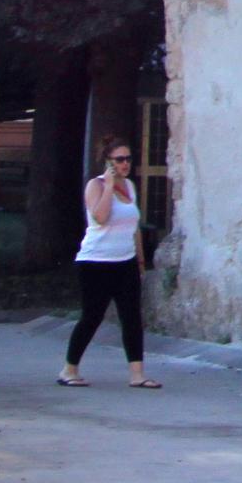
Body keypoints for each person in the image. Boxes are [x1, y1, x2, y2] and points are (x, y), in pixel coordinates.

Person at [60, 137, 158, 389]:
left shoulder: (130, 187)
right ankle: (69, 369)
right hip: (95, 262)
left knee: (132, 318)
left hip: (124, 261)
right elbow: (100, 217)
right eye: (119, 159)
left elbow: (133, 227)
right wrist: (109, 186)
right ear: (108, 162)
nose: (125, 164)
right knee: (92, 316)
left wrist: (140, 260)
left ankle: (137, 374)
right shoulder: (95, 185)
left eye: (128, 159)